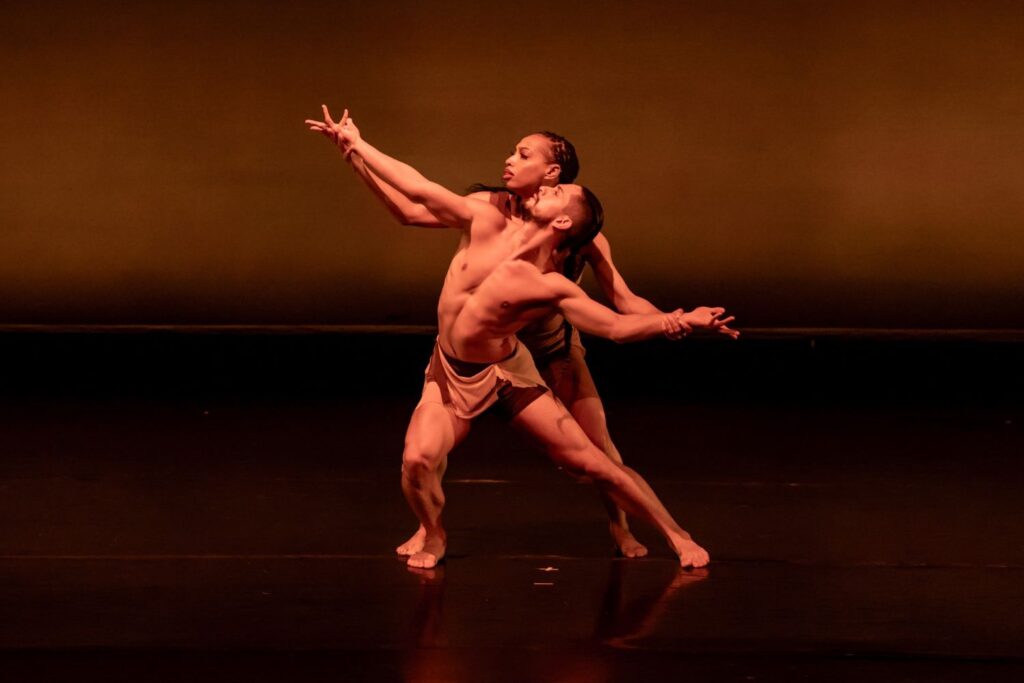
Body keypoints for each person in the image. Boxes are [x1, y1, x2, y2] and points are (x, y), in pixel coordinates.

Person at [306, 105, 734, 570]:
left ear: (553, 180)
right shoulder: (487, 213)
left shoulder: (564, 258)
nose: (510, 160)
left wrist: (678, 321)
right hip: (458, 364)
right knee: (419, 459)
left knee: (594, 458)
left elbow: (618, 316)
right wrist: (356, 151)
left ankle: (659, 530)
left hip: (536, 353)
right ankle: (432, 529)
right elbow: (417, 196)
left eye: (524, 155)